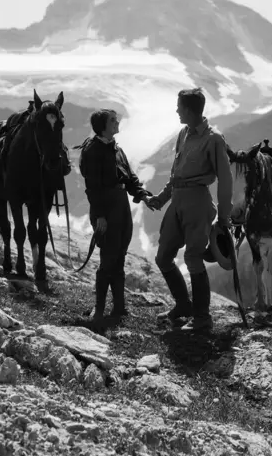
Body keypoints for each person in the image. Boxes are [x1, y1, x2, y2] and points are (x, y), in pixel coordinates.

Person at [146, 88, 234, 332]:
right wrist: (162, 198)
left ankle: (202, 319)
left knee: (193, 257)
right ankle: (183, 306)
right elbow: (176, 174)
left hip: (198, 202)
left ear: (190, 109)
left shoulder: (214, 138)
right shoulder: (184, 133)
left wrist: (224, 217)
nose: (176, 110)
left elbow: (225, 180)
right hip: (177, 201)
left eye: (179, 107)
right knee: (163, 256)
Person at [76, 109, 154, 326]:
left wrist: (142, 195)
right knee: (108, 259)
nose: (117, 122)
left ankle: (119, 308)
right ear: (103, 125)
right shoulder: (93, 151)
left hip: (121, 206)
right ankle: (99, 310)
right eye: (113, 120)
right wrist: (100, 216)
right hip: (106, 209)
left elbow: (129, 178)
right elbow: (92, 187)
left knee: (119, 256)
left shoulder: (116, 149)